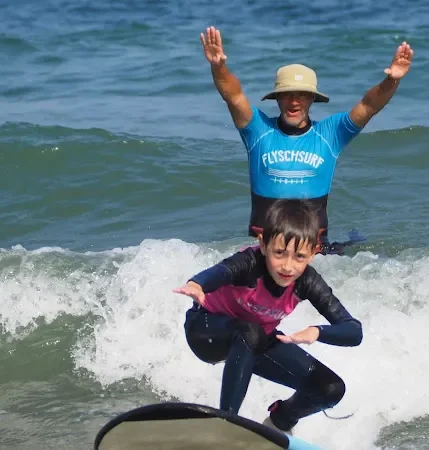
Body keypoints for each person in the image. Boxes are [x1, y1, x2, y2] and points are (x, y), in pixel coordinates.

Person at [200, 26, 414, 253]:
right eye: (287, 94)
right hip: (264, 250)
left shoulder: (330, 134)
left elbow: (368, 106)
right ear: (277, 98)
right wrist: (218, 67)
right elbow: (234, 97)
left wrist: (391, 81)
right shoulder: (258, 130)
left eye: (302, 94)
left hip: (314, 252)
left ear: (312, 98)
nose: (294, 101)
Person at [173, 199, 363, 433]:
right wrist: (197, 283)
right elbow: (221, 272)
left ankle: (280, 422)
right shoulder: (250, 263)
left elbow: (353, 330)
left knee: (329, 388)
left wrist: (318, 331)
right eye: (279, 253)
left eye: (299, 257)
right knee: (250, 332)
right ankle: (227, 424)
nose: (288, 266)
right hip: (206, 331)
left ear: (313, 253)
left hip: (251, 342)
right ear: (263, 245)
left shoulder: (307, 281)